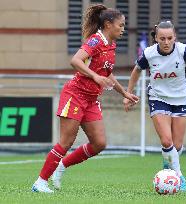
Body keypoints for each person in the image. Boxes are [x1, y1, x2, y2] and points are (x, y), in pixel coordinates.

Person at [32, 4, 139, 193]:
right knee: (66, 142)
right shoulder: (95, 41)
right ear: (108, 24)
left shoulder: (111, 44)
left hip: (91, 99)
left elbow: (107, 73)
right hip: (74, 95)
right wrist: (95, 76)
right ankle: (40, 182)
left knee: (99, 143)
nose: (123, 29)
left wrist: (124, 93)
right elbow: (75, 60)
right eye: (120, 25)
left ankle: (62, 165)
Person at [123, 21, 186, 192]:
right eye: (162, 38)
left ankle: (168, 162)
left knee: (176, 146)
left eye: (170, 38)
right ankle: (178, 175)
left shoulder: (183, 51)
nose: (166, 42)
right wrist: (128, 94)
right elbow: (136, 71)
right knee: (166, 140)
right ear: (156, 38)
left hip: (181, 99)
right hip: (158, 98)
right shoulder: (148, 54)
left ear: (174, 37)